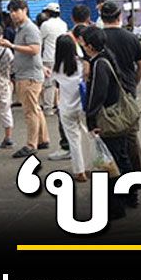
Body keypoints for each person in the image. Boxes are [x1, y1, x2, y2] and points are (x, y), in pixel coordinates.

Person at [80, 26, 131, 220]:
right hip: (117, 117)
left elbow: (97, 95)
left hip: (108, 119)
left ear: (90, 46)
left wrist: (91, 118)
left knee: (110, 164)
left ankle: (116, 206)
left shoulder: (99, 64)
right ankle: (128, 197)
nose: (82, 47)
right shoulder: (106, 58)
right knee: (120, 158)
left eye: (84, 43)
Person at [0, 0, 49, 158]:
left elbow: (34, 49)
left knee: (30, 111)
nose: (13, 14)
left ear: (25, 10)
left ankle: (31, 145)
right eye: (11, 11)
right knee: (35, 108)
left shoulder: (29, 28)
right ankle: (43, 139)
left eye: (16, 10)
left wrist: (11, 46)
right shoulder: (20, 28)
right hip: (27, 73)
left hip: (29, 76)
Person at [99, 1, 141, 171]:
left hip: (104, 94)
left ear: (101, 17)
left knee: (107, 135)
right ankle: (138, 173)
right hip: (127, 91)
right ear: (119, 16)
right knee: (130, 135)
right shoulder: (130, 37)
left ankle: (113, 174)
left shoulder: (97, 38)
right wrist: (134, 82)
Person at [52, 34, 90, 182]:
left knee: (74, 140)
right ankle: (91, 165)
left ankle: (79, 171)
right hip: (83, 106)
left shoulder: (57, 67)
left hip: (66, 108)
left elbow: (54, 83)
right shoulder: (81, 64)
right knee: (88, 136)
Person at [39, 2, 68, 114]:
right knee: (61, 83)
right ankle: (61, 106)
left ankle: (48, 108)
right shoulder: (63, 24)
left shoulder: (45, 25)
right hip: (62, 56)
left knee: (49, 84)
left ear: (48, 13)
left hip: (49, 57)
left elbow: (40, 41)